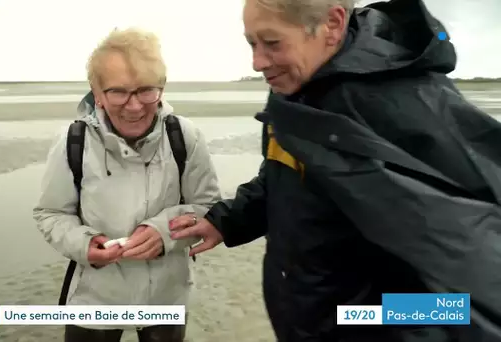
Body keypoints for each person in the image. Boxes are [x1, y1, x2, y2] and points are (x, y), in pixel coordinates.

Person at [169, 0, 501, 341]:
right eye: (251, 43)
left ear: (333, 23)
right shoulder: (296, 92)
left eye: (272, 43)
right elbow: (284, 179)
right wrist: (225, 221)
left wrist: (363, 320)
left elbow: (470, 270)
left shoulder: (409, 109)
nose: (257, 62)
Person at [33, 27, 221, 342]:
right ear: (97, 92)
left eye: (146, 90)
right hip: (96, 295)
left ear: (162, 87)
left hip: (166, 294)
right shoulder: (73, 140)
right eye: (119, 92)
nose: (134, 106)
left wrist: (163, 233)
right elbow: (50, 212)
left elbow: (208, 206)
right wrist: (84, 245)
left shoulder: (185, 136)